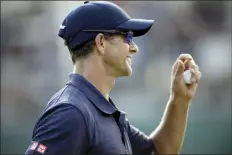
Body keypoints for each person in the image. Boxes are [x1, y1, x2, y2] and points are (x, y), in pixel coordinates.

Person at [25, 1, 201, 155]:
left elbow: (159, 151)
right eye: (128, 37)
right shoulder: (70, 112)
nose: (134, 48)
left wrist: (180, 99)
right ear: (101, 43)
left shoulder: (98, 109)